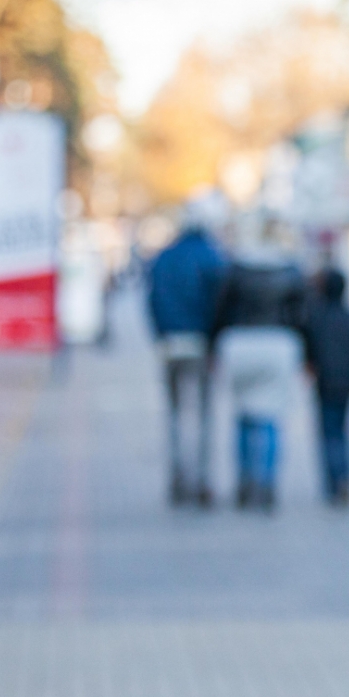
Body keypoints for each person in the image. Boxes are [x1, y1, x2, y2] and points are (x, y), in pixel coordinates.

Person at [212, 215, 307, 511]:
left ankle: (244, 481)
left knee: (243, 415)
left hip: (240, 343)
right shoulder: (290, 270)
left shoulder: (236, 268)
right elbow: (302, 316)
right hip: (278, 345)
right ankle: (266, 483)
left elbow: (220, 310)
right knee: (271, 418)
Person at [146, 191, 227, 507]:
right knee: (205, 415)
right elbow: (220, 301)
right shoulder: (212, 255)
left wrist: (161, 333)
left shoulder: (165, 257)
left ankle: (179, 478)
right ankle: (203, 480)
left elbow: (152, 299)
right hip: (201, 342)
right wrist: (214, 340)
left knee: (176, 414)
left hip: (170, 342)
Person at [303, 268, 349, 506]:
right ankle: (345, 479)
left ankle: (334, 484)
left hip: (325, 384)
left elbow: (309, 350)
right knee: (342, 432)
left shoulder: (317, 317)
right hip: (346, 384)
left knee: (329, 434)